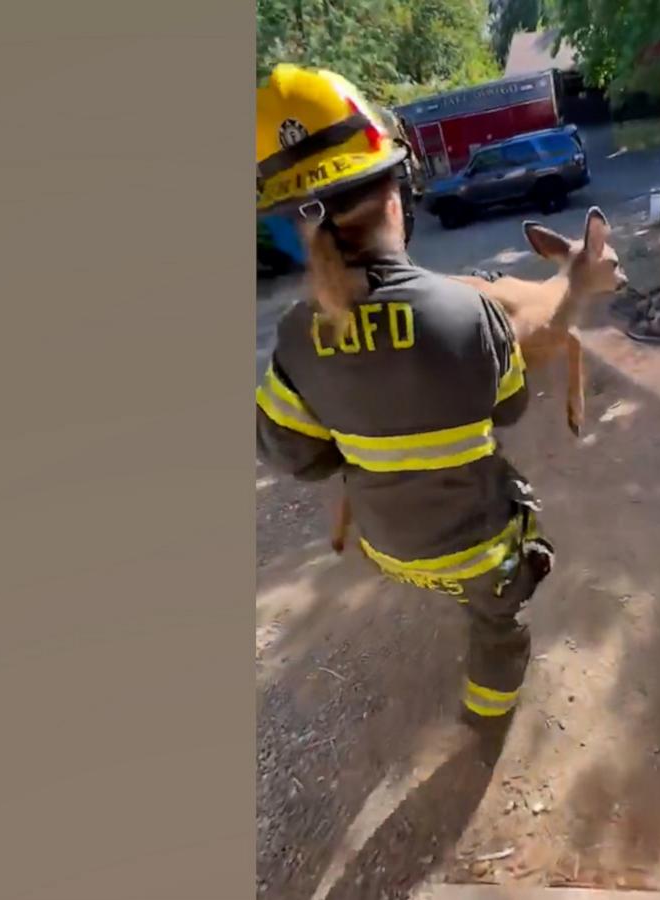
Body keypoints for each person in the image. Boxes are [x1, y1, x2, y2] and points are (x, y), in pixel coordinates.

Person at [255, 64, 554, 737]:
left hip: (388, 550)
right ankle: (486, 723)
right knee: (500, 625)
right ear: (397, 199)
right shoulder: (473, 313)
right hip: (476, 557)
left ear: (298, 229)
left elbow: (296, 459)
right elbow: (510, 409)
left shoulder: (295, 337)